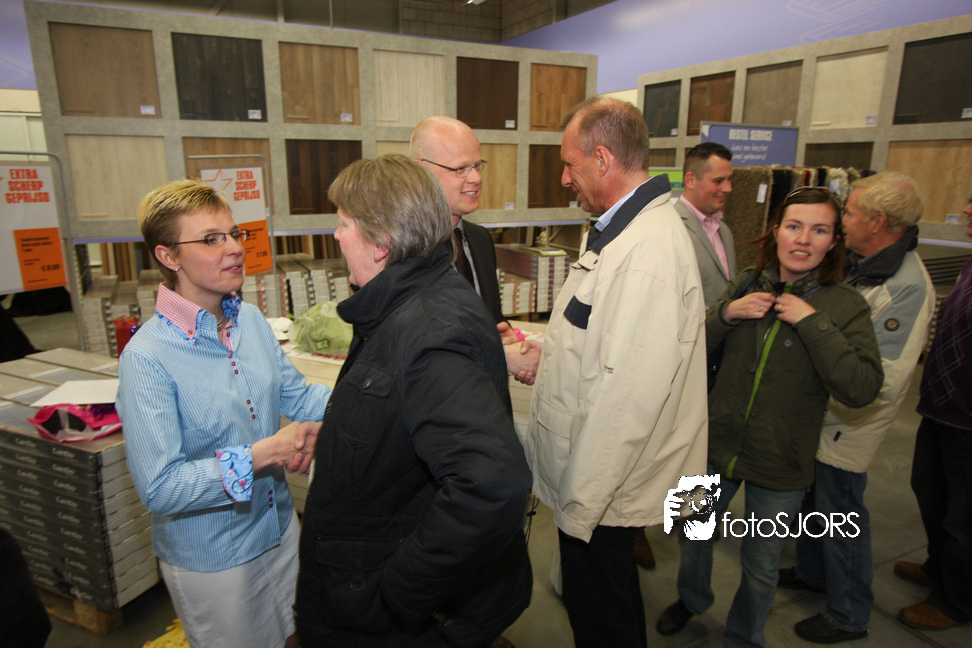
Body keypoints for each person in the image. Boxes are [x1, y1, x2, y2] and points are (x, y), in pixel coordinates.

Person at [294, 154, 533, 647]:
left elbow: (492, 483)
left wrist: (401, 591)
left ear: (381, 242)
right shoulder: (409, 301)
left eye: (344, 224)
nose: (336, 236)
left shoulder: (428, 331)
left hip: (395, 613)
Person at [657, 187, 883, 648]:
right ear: (776, 231)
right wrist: (726, 314)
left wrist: (812, 322)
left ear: (833, 242)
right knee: (689, 529)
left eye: (818, 230)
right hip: (712, 444)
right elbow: (689, 347)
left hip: (782, 462)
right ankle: (691, 599)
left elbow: (862, 388)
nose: (803, 239)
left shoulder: (846, 306)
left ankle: (744, 638)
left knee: (761, 563)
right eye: (794, 226)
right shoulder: (745, 282)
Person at [521, 96, 709, 648]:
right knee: (608, 602)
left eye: (569, 164)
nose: (564, 179)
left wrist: (579, 509)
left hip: (603, 491)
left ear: (602, 159)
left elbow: (624, 401)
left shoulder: (647, 255)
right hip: (600, 485)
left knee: (602, 617)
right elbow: (603, 346)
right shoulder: (620, 232)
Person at [116, 179, 329, 648]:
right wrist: (262, 454)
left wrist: (377, 396)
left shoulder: (248, 320)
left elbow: (297, 397)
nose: (234, 248)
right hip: (215, 561)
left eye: (235, 234)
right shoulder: (147, 358)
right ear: (169, 256)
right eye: (211, 239)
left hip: (278, 528)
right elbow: (160, 487)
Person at [778, 172, 935, 643]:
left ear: (878, 221)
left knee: (841, 515)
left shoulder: (905, 286)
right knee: (815, 505)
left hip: (849, 424)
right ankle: (813, 573)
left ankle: (849, 614)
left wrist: (810, 390)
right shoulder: (860, 265)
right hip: (822, 416)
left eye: (848, 212)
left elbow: (880, 380)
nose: (842, 221)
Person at [411, 116, 540, 384]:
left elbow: (489, 320)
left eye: (477, 166)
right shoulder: (402, 251)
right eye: (461, 169)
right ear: (421, 171)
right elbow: (411, 351)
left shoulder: (480, 240)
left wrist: (504, 337)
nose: (477, 178)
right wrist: (501, 357)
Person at [895, 194, 972, 631]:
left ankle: (957, 601)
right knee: (932, 492)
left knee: (965, 519)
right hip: (943, 408)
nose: (968, 210)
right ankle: (939, 567)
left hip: (967, 419)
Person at [676, 141, 737, 307]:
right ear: (690, 180)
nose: (728, 188)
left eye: (729, 180)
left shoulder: (723, 230)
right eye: (718, 181)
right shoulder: (672, 228)